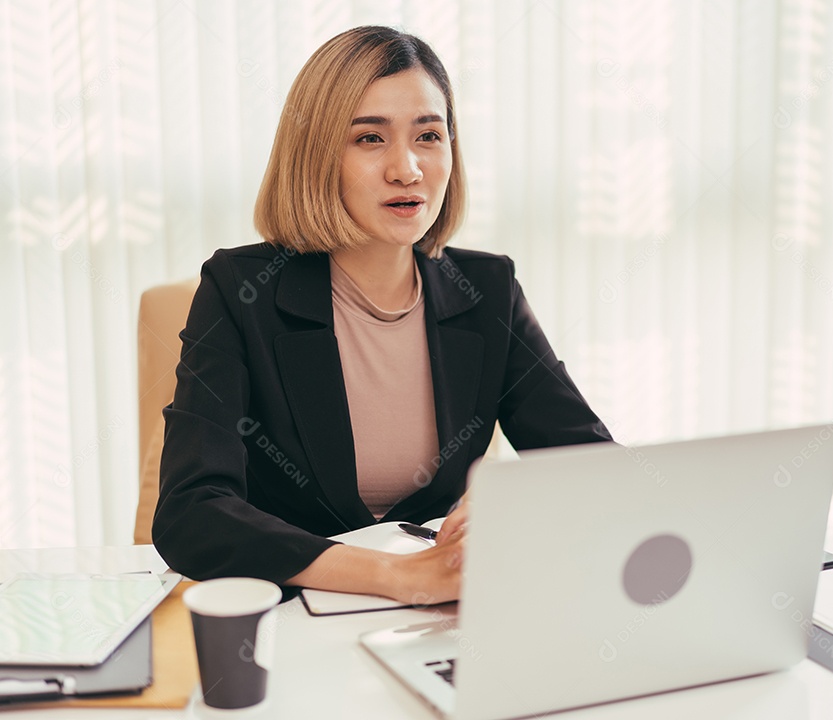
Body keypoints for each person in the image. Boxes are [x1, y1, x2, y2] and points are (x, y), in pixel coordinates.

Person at [152, 26, 611, 604]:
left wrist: (514, 499)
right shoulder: (241, 289)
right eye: (370, 138)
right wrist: (397, 577)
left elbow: (596, 470)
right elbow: (192, 513)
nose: (407, 169)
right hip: (292, 618)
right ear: (317, 155)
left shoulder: (487, 289)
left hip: (440, 618)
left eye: (428, 135)